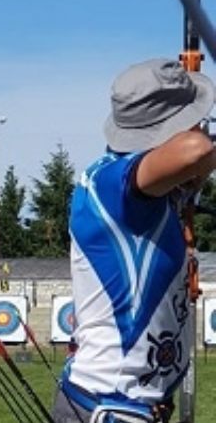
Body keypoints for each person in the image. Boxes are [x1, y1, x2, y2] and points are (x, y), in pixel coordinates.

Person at [54, 59, 216, 423]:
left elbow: (196, 165)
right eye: (197, 118)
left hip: (124, 406)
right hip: (110, 405)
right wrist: (197, 143)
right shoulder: (113, 184)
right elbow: (196, 152)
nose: (203, 125)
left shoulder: (151, 195)